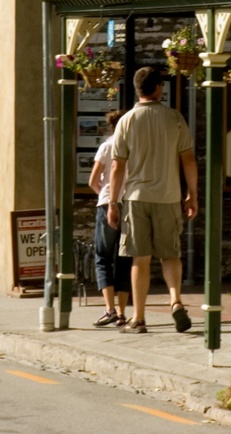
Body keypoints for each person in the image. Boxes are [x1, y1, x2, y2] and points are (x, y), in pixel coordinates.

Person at [107, 67, 198, 335]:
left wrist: (112, 202)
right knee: (170, 255)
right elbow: (189, 160)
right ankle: (176, 301)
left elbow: (116, 167)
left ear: (138, 89)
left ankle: (139, 318)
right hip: (168, 196)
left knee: (140, 259)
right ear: (159, 87)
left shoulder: (126, 121)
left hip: (136, 198)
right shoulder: (175, 119)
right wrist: (192, 194)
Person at [88, 108, 130, 328]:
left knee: (103, 256)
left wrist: (103, 195)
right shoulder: (134, 146)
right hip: (129, 204)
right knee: (124, 257)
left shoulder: (106, 146)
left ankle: (109, 309)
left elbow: (93, 180)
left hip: (107, 204)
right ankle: (122, 312)